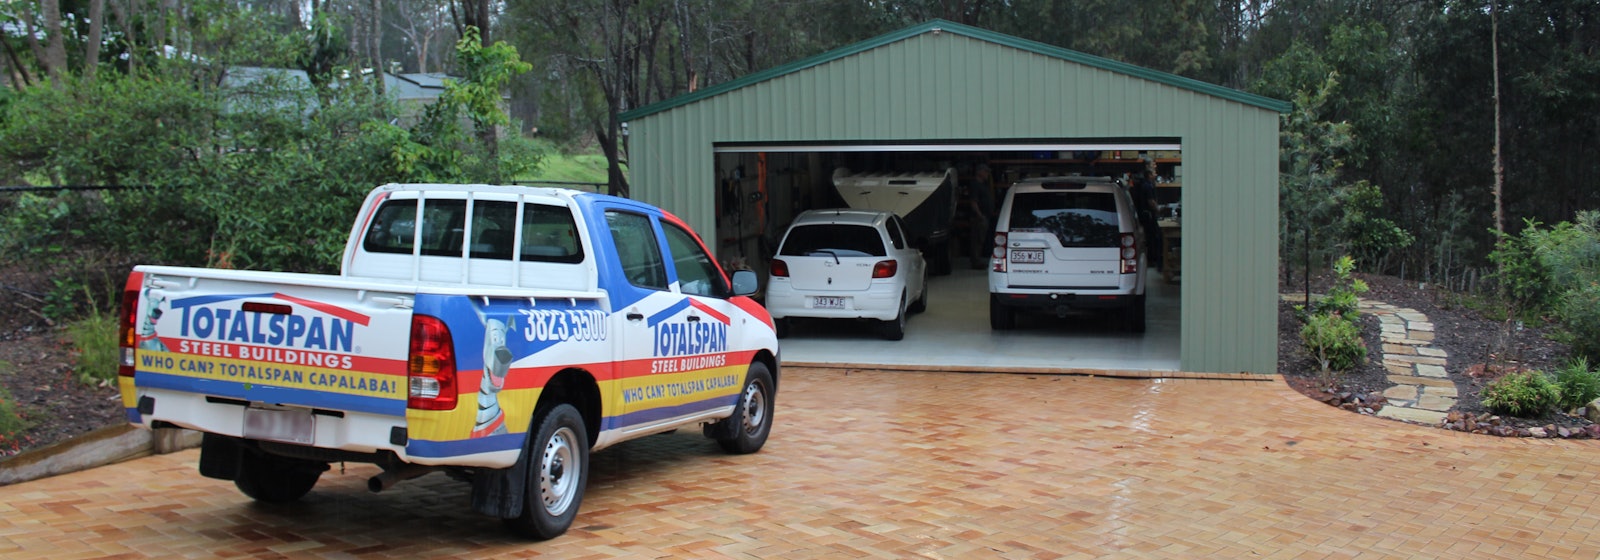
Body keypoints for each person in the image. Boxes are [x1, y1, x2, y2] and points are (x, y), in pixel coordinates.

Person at [1131, 161, 1163, 270]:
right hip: (1148, 215)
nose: (1156, 174)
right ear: (1149, 174)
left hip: (1144, 214)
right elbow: (1151, 201)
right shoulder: (1147, 186)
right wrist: (1158, 209)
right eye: (1154, 173)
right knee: (1152, 237)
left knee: (1150, 237)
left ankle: (1152, 259)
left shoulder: (1145, 184)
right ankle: (1152, 260)